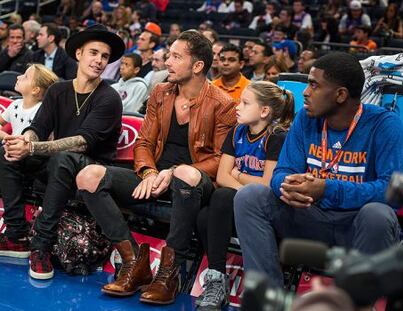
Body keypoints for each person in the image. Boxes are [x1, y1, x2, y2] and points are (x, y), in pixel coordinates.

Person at [75, 30, 236, 305]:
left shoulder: (222, 104)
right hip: (153, 177)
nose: (167, 62)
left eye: (176, 56)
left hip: (194, 184)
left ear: (197, 66)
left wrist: (171, 172)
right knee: (88, 176)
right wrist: (149, 172)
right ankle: (133, 264)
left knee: (185, 173)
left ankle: (168, 274)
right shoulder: (160, 91)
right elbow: (144, 143)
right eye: (169, 55)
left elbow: (222, 159)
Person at [234, 52, 403, 286]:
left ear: (340, 95)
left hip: (355, 225)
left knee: (377, 214)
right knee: (250, 197)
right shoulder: (305, 119)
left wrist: (327, 189)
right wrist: (288, 186)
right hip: (309, 215)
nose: (305, 92)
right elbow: (281, 172)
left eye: (314, 85)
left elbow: (395, 192)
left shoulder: (383, 123)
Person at [0, 24, 125, 280]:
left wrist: (32, 147)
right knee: (6, 150)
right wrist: (23, 142)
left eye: (104, 56)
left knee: (63, 158)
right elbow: (38, 127)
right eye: (94, 53)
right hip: (56, 167)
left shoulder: (109, 98)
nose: (99, 60)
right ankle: (16, 235)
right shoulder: (58, 90)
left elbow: (82, 142)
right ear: (78, 54)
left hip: (90, 172)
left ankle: (41, 246)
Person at [195, 81, 294, 309]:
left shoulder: (277, 137)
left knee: (222, 198)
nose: (237, 107)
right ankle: (217, 282)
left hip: (265, 212)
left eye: (245, 103)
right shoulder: (238, 131)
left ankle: (217, 280)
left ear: (264, 111)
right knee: (202, 217)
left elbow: (268, 186)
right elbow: (221, 176)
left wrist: (238, 177)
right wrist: (244, 187)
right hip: (234, 207)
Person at [0, 64, 58, 140]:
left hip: (31, 151)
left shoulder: (42, 112)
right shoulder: (15, 104)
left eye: (25, 76)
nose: (18, 77)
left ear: (35, 90)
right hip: (9, 148)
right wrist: (6, 137)